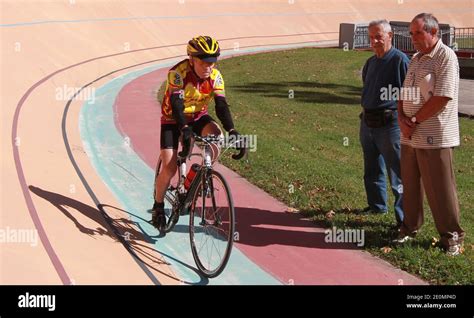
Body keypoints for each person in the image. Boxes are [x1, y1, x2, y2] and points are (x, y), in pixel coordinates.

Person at [151, 35, 246, 230]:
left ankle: (197, 175)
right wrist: (184, 129)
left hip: (197, 117)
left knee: (217, 138)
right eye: (204, 62)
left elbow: (221, 105)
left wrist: (232, 130)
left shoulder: (215, 77)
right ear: (192, 59)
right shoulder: (177, 73)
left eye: (212, 62)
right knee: (169, 168)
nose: (209, 67)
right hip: (173, 119)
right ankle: (158, 206)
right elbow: (177, 104)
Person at [395, 13, 464, 256]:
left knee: (440, 188)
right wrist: (401, 118)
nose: (412, 37)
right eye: (411, 33)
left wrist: (413, 120)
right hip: (409, 135)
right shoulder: (415, 58)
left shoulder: (446, 57)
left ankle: (452, 238)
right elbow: (404, 92)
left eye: (417, 33)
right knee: (410, 185)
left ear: (434, 33)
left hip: (435, 136)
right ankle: (409, 227)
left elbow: (442, 97)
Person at [359, 20, 409, 227]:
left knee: (397, 173)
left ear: (390, 35)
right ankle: (377, 206)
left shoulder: (400, 60)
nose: (375, 41)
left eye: (378, 36)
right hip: (368, 122)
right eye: (371, 37)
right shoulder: (370, 63)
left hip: (390, 125)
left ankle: (404, 219)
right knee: (371, 168)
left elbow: (410, 94)